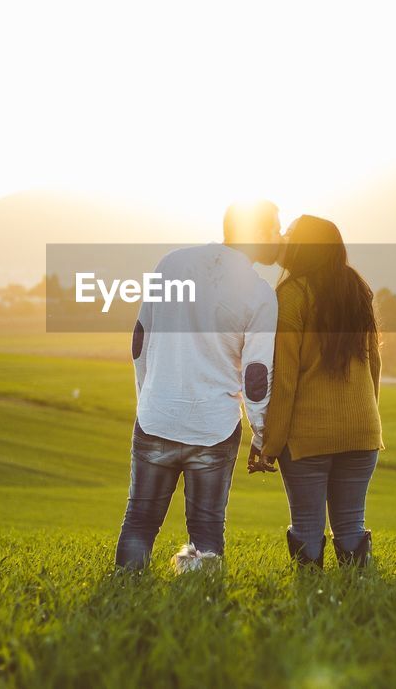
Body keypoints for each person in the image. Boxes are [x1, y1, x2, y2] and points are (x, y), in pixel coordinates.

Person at [114, 200, 283, 571]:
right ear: (255, 233)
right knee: (207, 530)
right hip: (214, 427)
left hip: (156, 416)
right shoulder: (259, 295)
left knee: (140, 521)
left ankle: (124, 593)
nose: (279, 236)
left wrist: (148, 397)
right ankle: (200, 605)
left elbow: (140, 339)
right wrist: (261, 433)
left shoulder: (172, 264)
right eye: (274, 228)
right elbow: (256, 375)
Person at [249, 215, 384, 568]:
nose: (283, 240)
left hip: (308, 438)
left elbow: (286, 380)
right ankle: (360, 596)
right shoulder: (357, 288)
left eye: (290, 235)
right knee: (351, 524)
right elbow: (374, 363)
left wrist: (270, 444)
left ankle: (313, 602)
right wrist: (365, 420)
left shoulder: (291, 296)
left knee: (308, 525)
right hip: (363, 433)